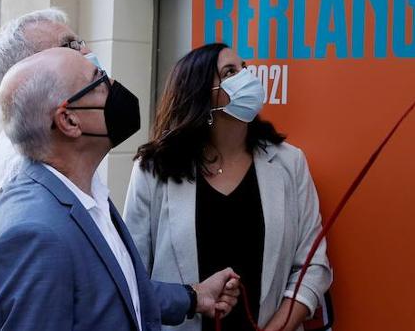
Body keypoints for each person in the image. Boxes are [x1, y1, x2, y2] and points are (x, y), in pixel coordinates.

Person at [0, 48, 241, 331]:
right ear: (69, 121)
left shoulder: (83, 192)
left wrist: (193, 296)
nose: (114, 86)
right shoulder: (36, 234)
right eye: (99, 80)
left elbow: (119, 290)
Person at [125, 43, 332, 331]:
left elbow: (313, 267)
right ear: (201, 94)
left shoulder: (289, 163)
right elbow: (131, 275)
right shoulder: (153, 169)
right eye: (230, 72)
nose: (247, 77)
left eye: (244, 68)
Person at [0, 7, 111, 328]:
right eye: (71, 45)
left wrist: (188, 296)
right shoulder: (26, 164)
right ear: (31, 72)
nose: (87, 53)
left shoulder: (66, 150)